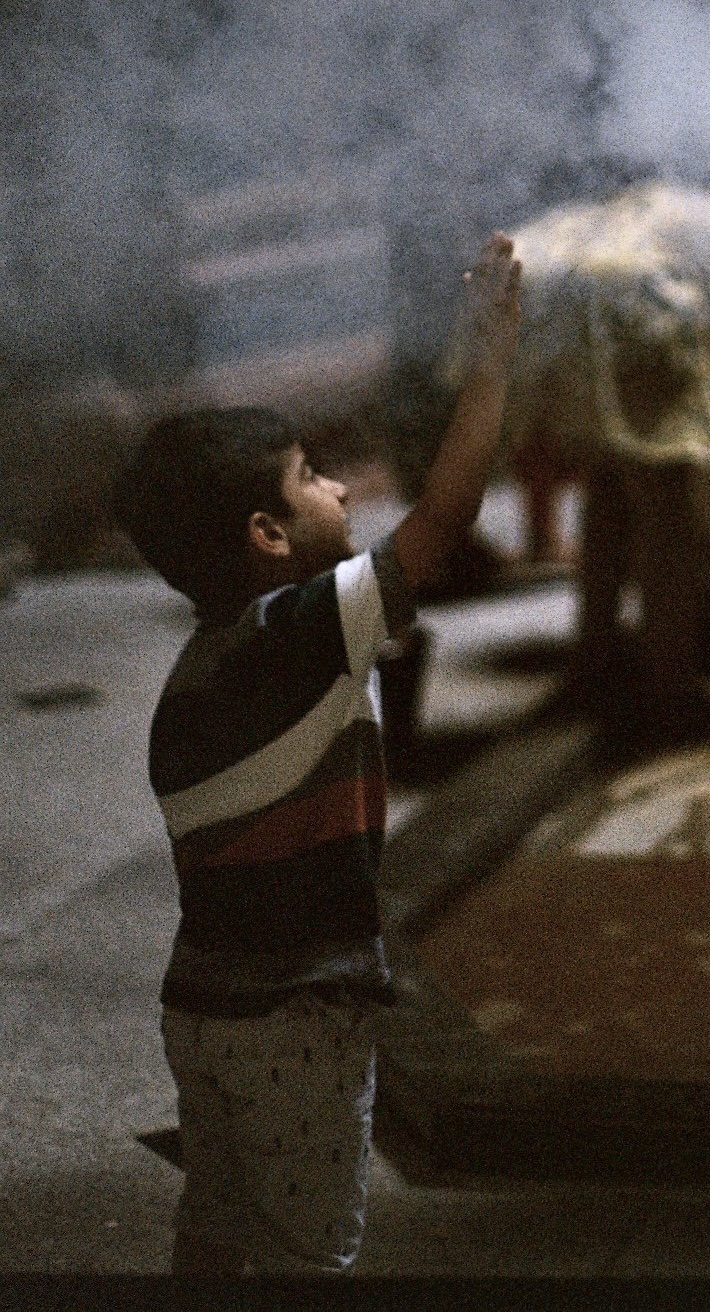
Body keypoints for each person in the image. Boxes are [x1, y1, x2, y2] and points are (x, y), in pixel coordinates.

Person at [111, 232, 521, 1276]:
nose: (340, 487)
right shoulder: (304, 634)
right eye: (312, 479)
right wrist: (491, 358)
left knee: (216, 1219)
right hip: (297, 1014)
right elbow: (446, 515)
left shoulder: (200, 671)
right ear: (267, 534)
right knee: (311, 1251)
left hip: (202, 1004)